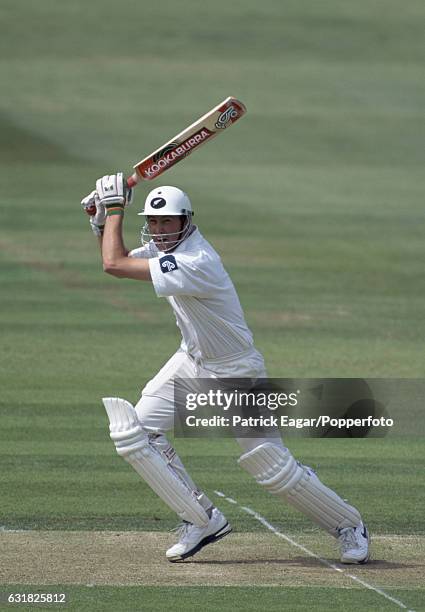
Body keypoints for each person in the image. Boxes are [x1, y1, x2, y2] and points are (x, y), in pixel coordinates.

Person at [81, 173, 370, 564]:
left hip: (236, 372)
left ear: (186, 222)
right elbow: (118, 258)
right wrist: (100, 222)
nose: (160, 230)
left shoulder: (197, 261)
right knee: (134, 432)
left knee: (271, 468)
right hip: (191, 361)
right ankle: (201, 519)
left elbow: (114, 264)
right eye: (153, 222)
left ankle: (348, 524)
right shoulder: (164, 250)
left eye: (168, 222)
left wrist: (114, 208)